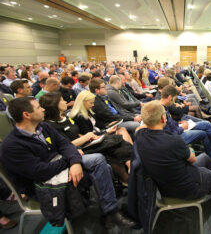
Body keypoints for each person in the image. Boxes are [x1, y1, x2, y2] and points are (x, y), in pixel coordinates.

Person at [0, 97, 135, 228]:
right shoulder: (12, 146)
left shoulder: (43, 127)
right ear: (26, 115)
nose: (42, 109)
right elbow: (41, 171)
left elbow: (65, 145)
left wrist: (75, 162)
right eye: (38, 107)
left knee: (100, 161)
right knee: (101, 164)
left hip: (58, 166)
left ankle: (110, 210)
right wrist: (70, 161)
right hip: (42, 185)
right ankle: (110, 209)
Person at [135, 100, 211, 200]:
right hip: (187, 188)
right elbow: (192, 159)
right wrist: (189, 150)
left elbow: (140, 128)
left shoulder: (139, 135)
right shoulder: (173, 141)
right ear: (163, 119)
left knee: (205, 157)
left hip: (166, 185)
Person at [40, 92, 132, 186]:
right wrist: (87, 136)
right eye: (62, 100)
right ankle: (127, 174)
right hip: (78, 150)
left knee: (117, 141)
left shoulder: (65, 117)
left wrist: (91, 136)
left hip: (86, 142)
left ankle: (129, 172)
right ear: (54, 105)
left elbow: (77, 133)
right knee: (115, 146)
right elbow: (65, 144)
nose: (65, 102)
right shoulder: (49, 126)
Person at [160, 85, 211, 165]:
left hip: (178, 128)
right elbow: (169, 133)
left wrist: (178, 124)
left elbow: (170, 123)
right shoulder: (162, 111)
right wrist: (182, 128)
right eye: (174, 99)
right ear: (169, 97)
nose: (173, 102)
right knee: (204, 132)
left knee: (206, 124)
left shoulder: (164, 107)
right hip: (177, 135)